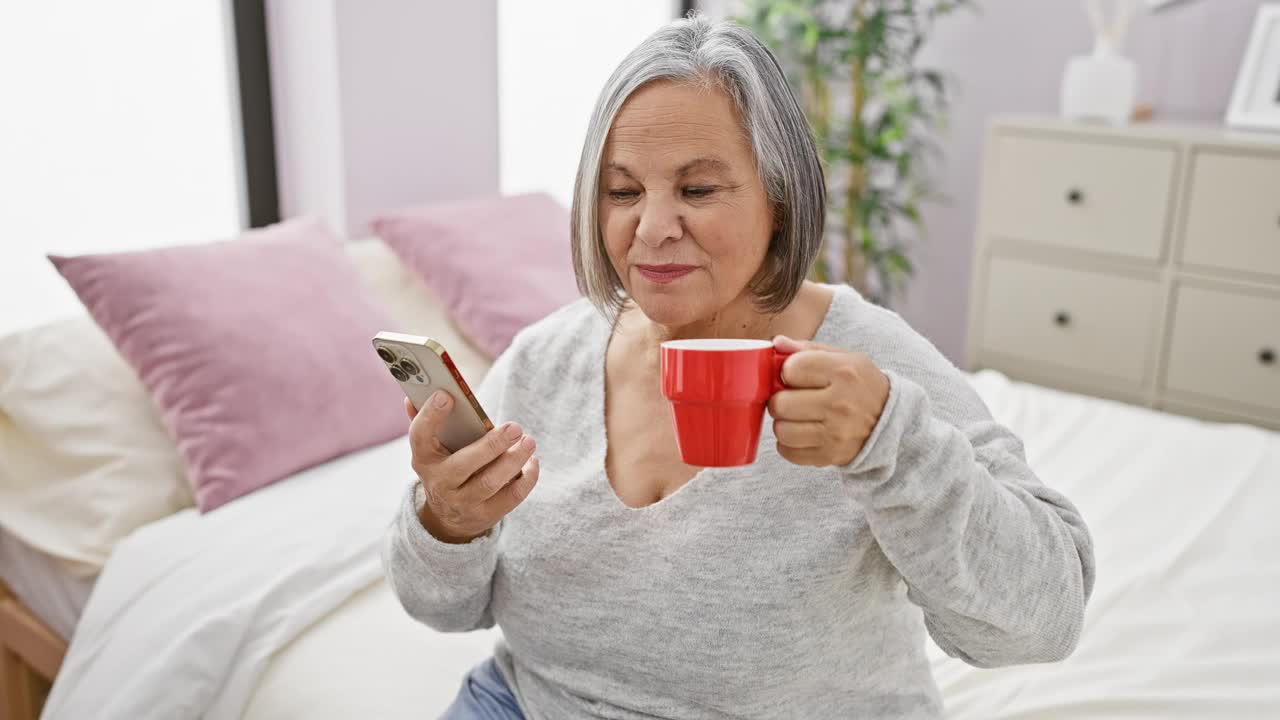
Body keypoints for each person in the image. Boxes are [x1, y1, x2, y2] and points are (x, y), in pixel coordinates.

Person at [383, 13, 1094, 720]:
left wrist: (893, 444)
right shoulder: (544, 362)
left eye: (697, 190)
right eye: (623, 191)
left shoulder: (866, 361)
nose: (653, 228)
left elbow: (1046, 618)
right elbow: (444, 608)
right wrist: (449, 518)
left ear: (779, 201)